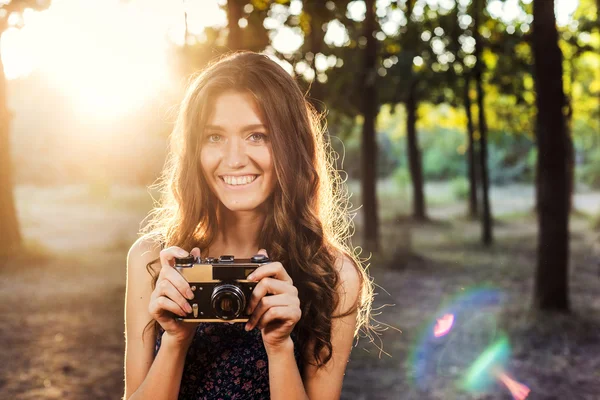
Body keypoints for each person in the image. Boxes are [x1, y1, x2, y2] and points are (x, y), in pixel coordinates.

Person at [123, 51, 373, 400]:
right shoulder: (153, 261)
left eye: (257, 135)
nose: (235, 159)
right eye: (214, 137)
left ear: (290, 144)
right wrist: (175, 341)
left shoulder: (332, 275)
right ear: (194, 150)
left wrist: (280, 346)